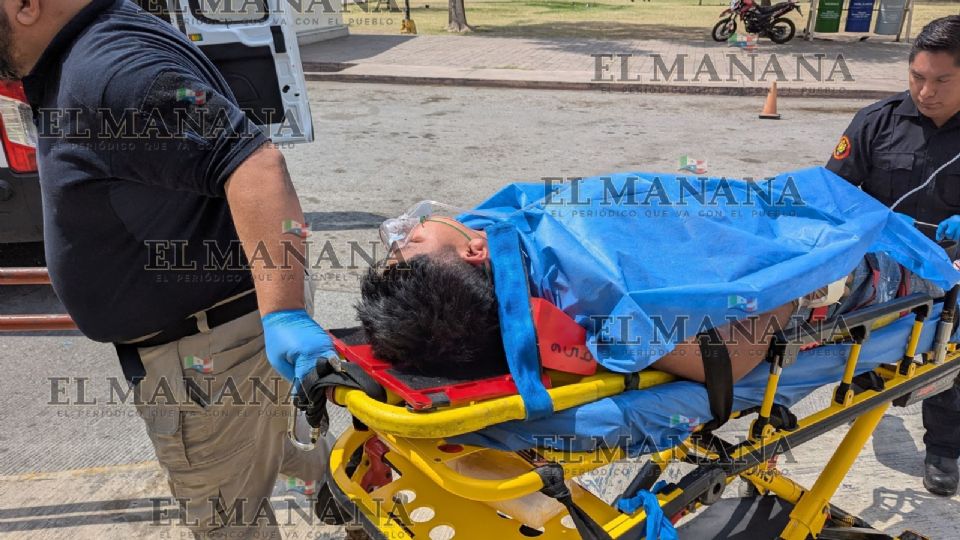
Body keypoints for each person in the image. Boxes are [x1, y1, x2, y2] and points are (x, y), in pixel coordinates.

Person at [1, 0, 340, 537]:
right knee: (281, 447)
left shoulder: (107, 71)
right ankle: (356, 505)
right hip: (229, 336)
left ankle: (351, 502)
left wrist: (285, 314)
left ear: (24, 5)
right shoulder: (99, 41)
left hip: (209, 353)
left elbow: (254, 165)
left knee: (227, 524)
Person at [353, 171, 953, 388]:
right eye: (410, 242)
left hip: (785, 230)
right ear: (476, 251)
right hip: (851, 275)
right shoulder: (591, 304)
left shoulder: (523, 249)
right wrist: (787, 282)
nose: (405, 230)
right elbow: (725, 362)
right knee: (934, 264)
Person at [826, 15, 960, 497]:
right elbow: (832, 195)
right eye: (917, 77)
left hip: (951, 277)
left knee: (948, 365)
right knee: (862, 348)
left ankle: (943, 449)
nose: (926, 92)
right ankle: (865, 393)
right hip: (882, 272)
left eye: (942, 80)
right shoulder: (876, 121)